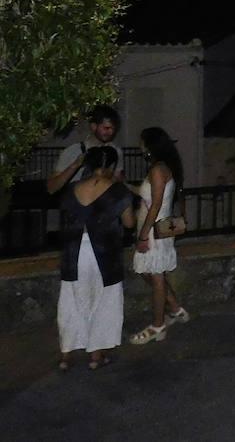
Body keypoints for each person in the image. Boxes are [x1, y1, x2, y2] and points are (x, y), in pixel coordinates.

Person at [56, 146, 134, 371]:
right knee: (104, 301)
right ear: (110, 166)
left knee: (71, 301)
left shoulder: (72, 189)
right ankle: (95, 355)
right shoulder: (118, 191)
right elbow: (129, 223)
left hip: (74, 253)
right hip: (105, 255)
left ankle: (66, 355)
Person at [127, 127, 190, 345]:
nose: (139, 145)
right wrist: (125, 185)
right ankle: (174, 309)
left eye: (142, 142)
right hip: (155, 229)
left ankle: (157, 324)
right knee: (151, 274)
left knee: (154, 276)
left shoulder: (158, 169)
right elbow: (148, 194)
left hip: (154, 230)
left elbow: (154, 204)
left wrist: (143, 235)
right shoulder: (162, 168)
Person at [47, 105, 124, 195]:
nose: (110, 132)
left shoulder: (115, 151)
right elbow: (51, 188)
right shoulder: (72, 151)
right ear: (93, 126)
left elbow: (119, 181)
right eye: (106, 128)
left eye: (113, 129)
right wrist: (75, 165)